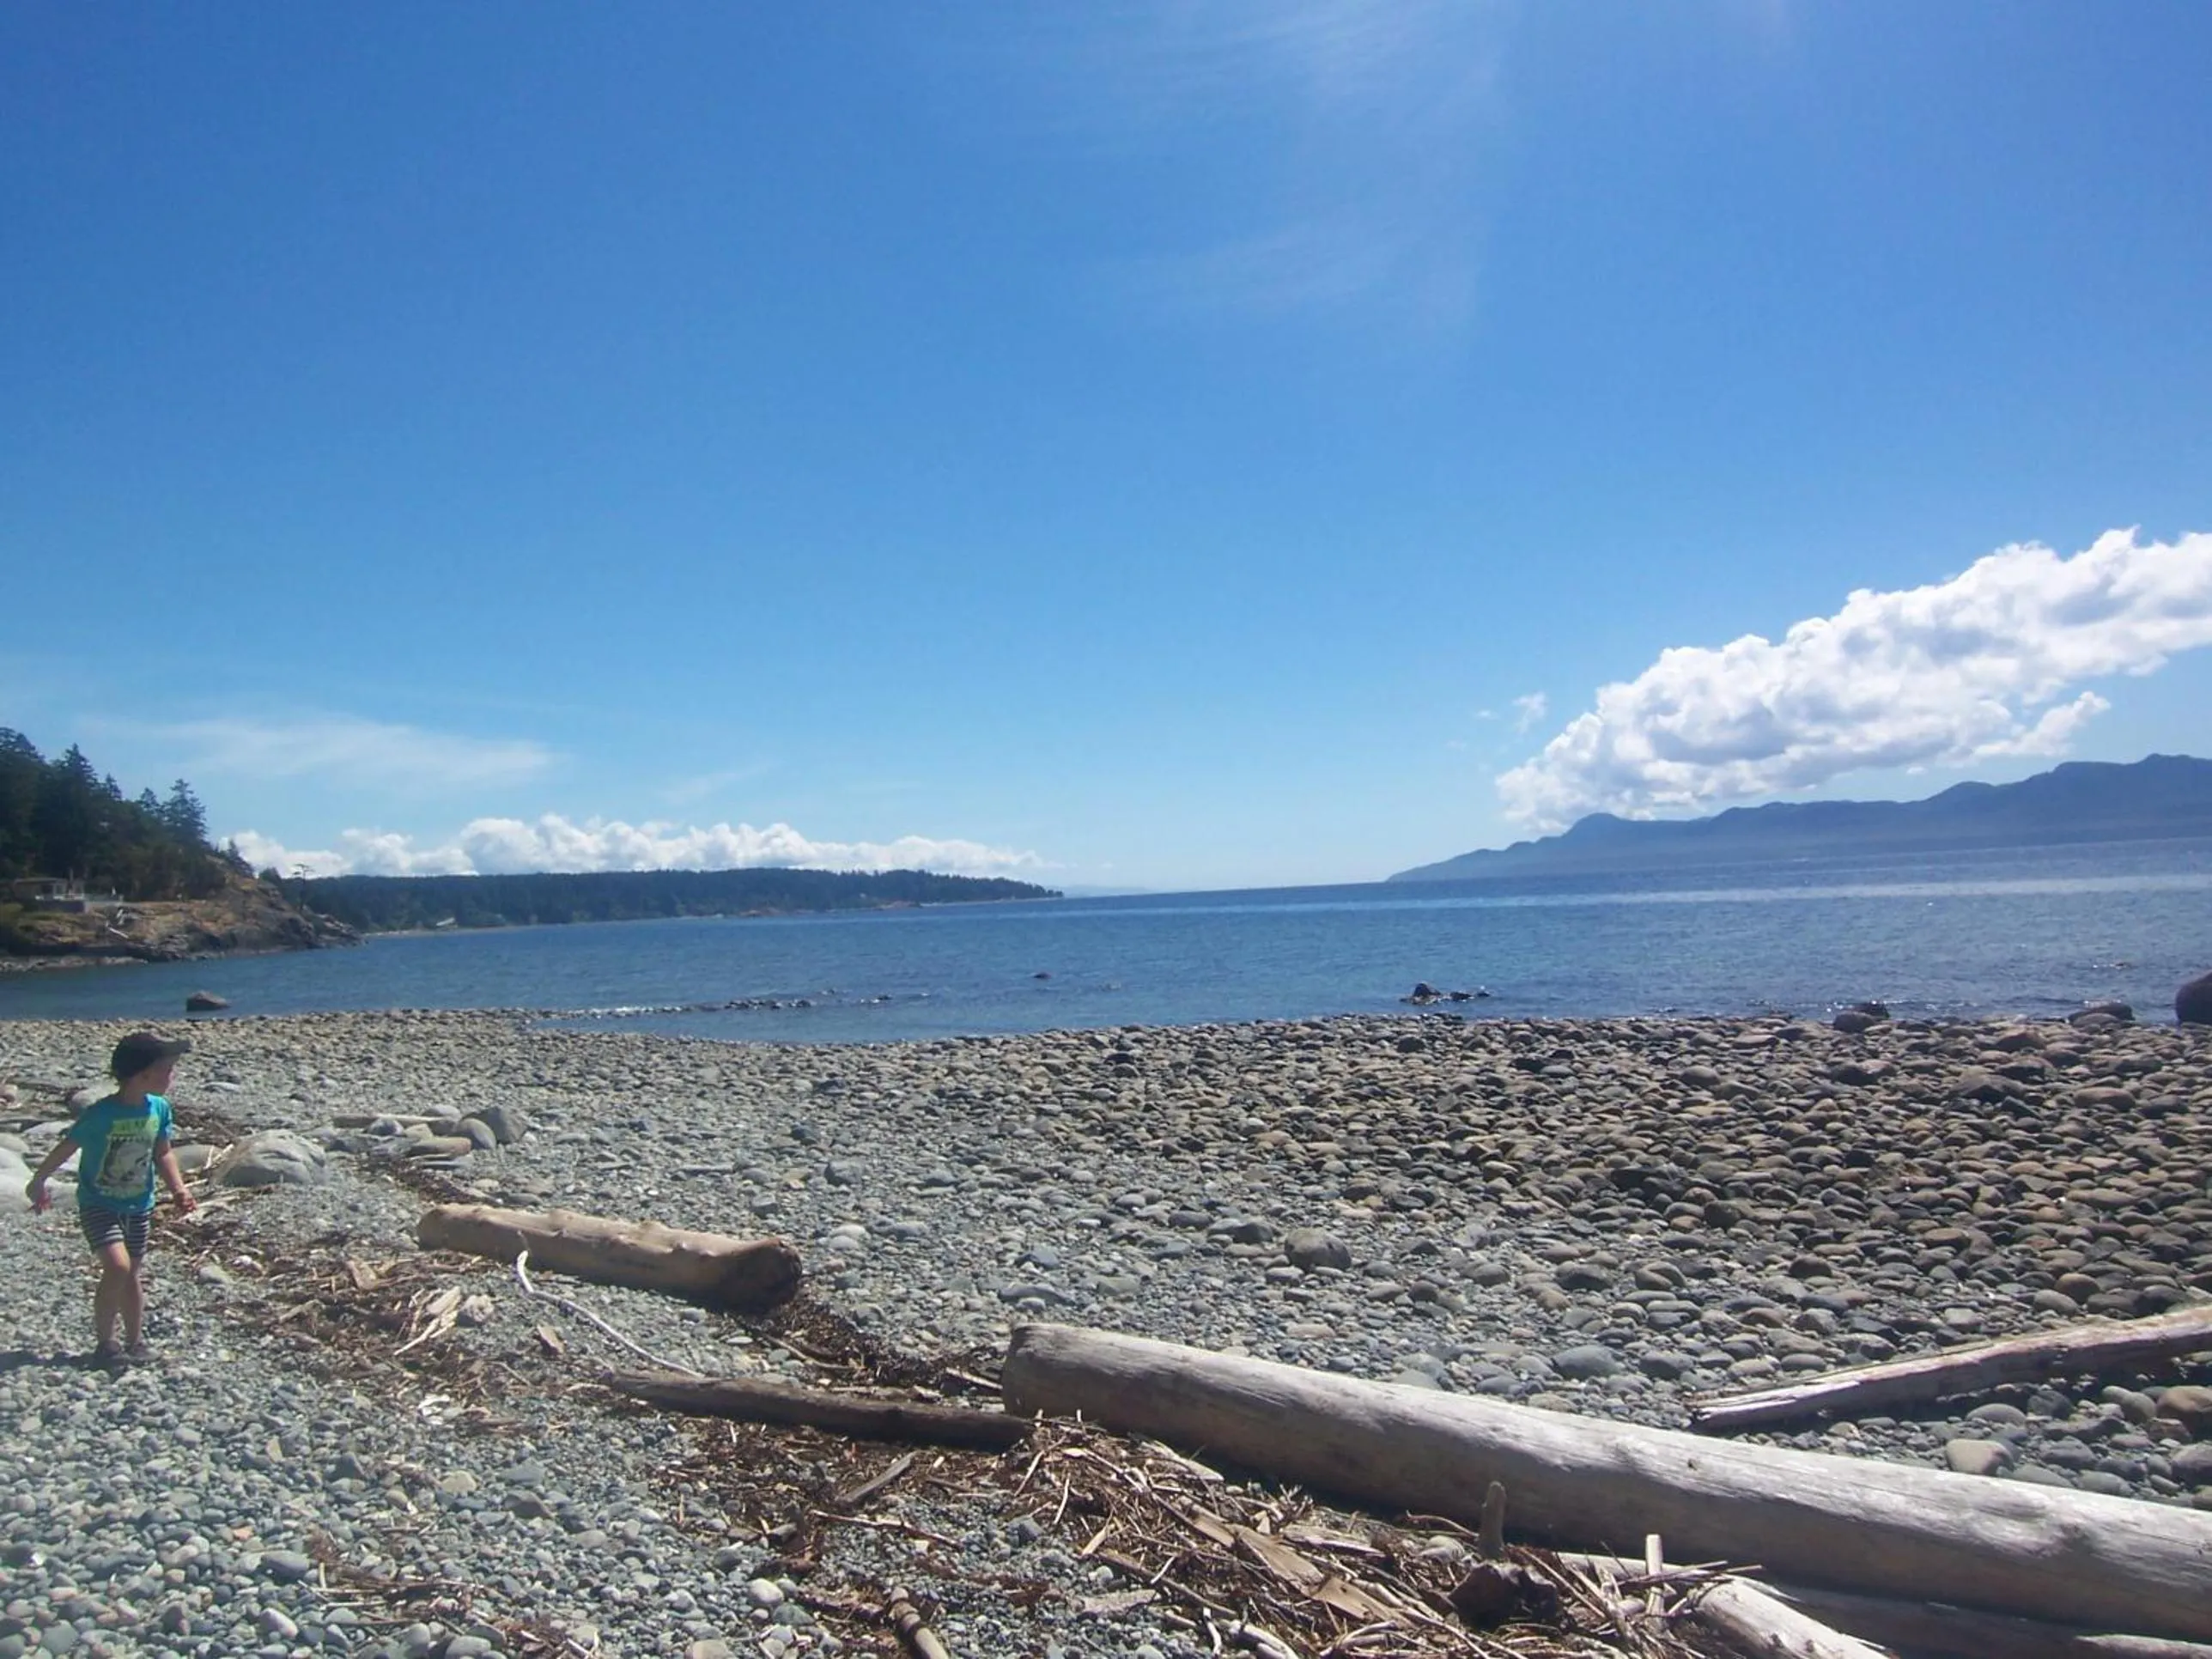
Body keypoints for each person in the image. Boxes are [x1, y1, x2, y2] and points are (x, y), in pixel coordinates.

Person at [24, 1030, 199, 1365]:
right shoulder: (101, 1114)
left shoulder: (159, 1109)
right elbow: (67, 1147)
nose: (172, 1076)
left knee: (131, 1273)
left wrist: (179, 1189)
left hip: (139, 1205)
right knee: (117, 1267)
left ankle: (134, 1342)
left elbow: (163, 1153)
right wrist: (39, 1179)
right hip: (99, 1203)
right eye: (167, 1070)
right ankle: (106, 1344)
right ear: (142, 1075)